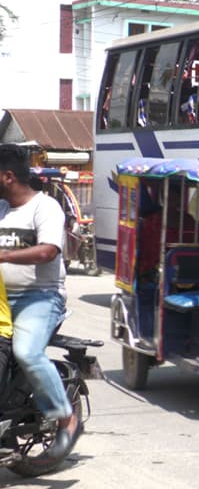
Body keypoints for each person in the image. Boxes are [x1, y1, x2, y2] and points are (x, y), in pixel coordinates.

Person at [0, 144, 78, 461]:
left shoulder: (45, 208)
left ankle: (66, 419)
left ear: (7, 177)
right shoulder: (1, 208)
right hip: (3, 299)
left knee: (26, 352)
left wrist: (4, 255)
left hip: (40, 297)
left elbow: (48, 251)